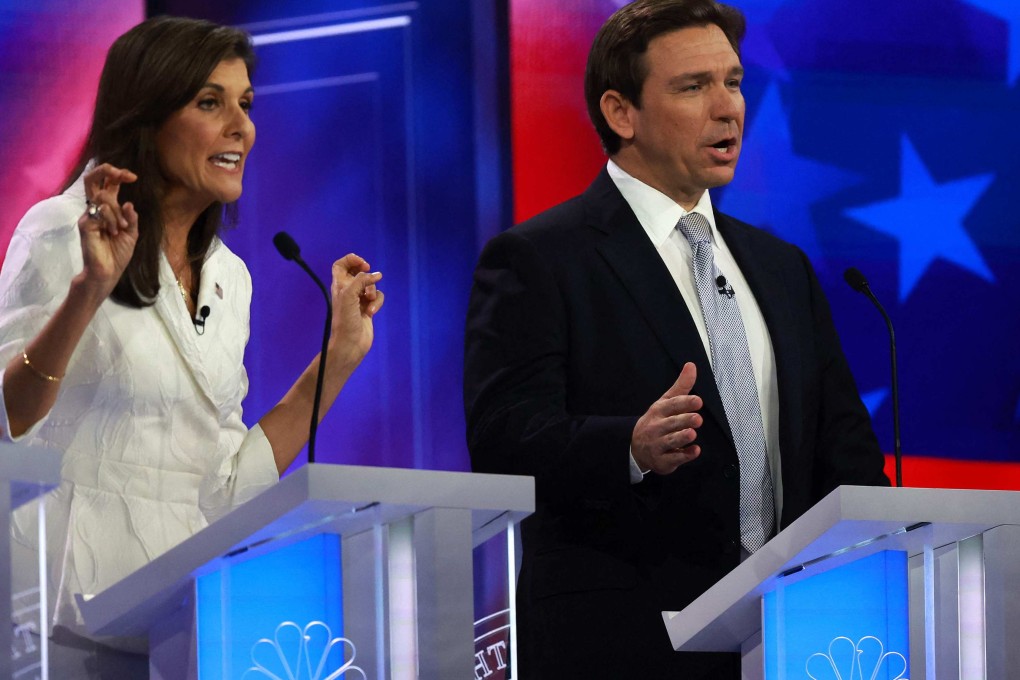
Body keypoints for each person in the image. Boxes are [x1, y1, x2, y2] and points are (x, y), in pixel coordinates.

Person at [463, 0, 888, 677]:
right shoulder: (539, 259)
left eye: (735, 82)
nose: (728, 109)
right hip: (619, 645)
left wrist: (882, 555)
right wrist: (627, 447)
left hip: (786, 645)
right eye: (694, 87)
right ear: (620, 112)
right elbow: (502, 439)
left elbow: (847, 457)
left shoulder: (781, 269)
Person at [0, 16, 384, 674]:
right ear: (147, 118)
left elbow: (225, 483)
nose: (242, 126)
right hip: (61, 621)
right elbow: (8, 417)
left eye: (246, 104)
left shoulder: (231, 278)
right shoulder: (61, 230)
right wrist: (90, 290)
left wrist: (337, 360)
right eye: (211, 103)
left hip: (188, 623)